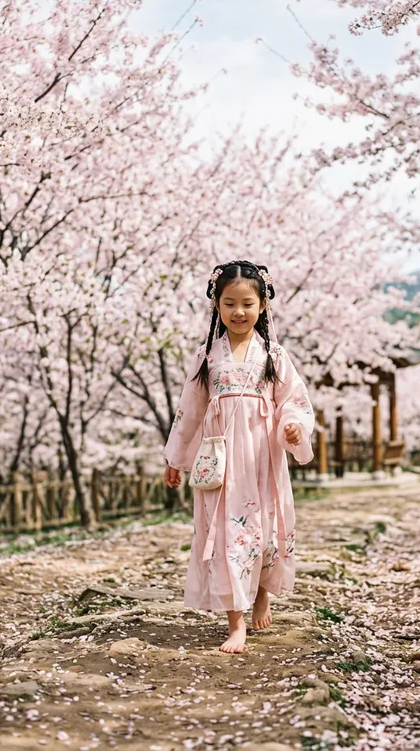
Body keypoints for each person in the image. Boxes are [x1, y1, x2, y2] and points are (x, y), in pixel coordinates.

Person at [163, 261, 315, 654]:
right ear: (217, 306)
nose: (238, 312)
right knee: (225, 532)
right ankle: (236, 621)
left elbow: (293, 401)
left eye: (247, 303)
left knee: (264, 526)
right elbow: (190, 410)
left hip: (262, 456)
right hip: (221, 458)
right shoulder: (207, 357)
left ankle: (262, 592)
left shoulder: (274, 356)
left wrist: (293, 426)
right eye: (229, 303)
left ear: (263, 305)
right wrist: (175, 458)